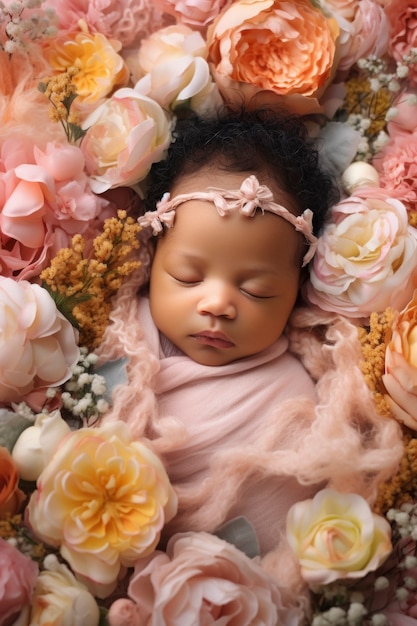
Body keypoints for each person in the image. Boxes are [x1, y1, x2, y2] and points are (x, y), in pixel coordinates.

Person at [96, 107, 403, 592]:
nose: (217, 303)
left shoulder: (309, 387)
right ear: (152, 261)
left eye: (258, 291)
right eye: (187, 277)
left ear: (296, 292)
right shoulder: (119, 344)